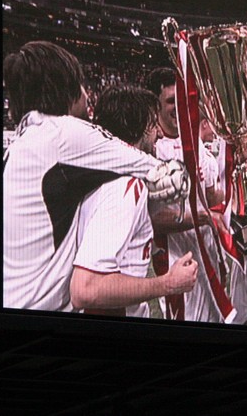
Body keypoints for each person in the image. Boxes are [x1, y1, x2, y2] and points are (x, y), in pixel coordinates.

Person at [2, 41, 188, 311]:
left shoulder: (22, 144)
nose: (87, 95)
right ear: (65, 90)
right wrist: (168, 283)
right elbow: (164, 174)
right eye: (81, 85)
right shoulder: (63, 134)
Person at [69, 85, 198, 317]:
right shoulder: (126, 186)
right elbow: (86, 289)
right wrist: (167, 283)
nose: (159, 134)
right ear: (138, 126)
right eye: (153, 124)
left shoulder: (99, 173)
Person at [146, 67, 232, 323]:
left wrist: (236, 187)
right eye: (170, 101)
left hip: (208, 254)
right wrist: (203, 218)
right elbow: (152, 219)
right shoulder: (150, 151)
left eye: (180, 99)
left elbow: (212, 197)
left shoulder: (194, 142)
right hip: (175, 259)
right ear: (156, 105)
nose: (177, 106)